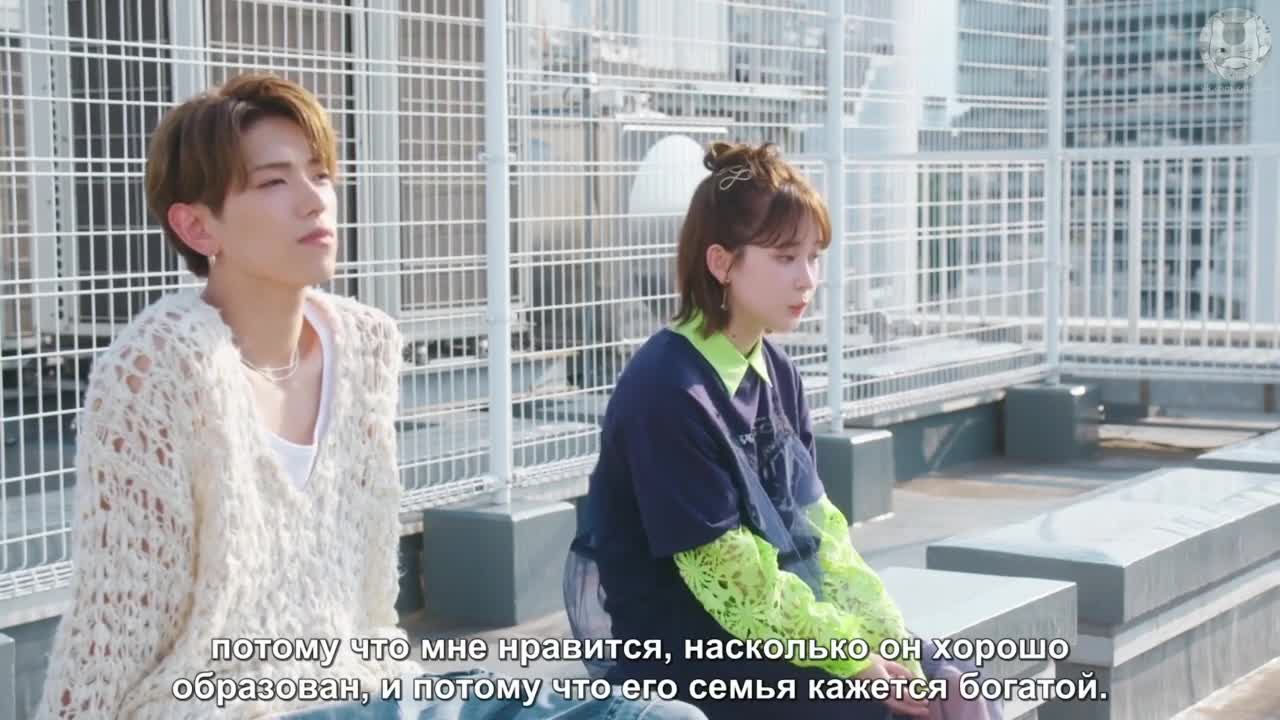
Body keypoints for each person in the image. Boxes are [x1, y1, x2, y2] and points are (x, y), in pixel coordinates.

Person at [36, 72, 705, 720]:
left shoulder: (364, 345)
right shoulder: (158, 370)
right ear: (196, 227)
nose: (313, 199)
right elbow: (111, 628)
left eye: (320, 174)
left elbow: (369, 606)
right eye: (274, 181)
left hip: (371, 692)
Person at [565, 142, 1003, 720]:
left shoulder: (779, 373)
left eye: (813, 257)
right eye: (785, 258)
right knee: (877, 711)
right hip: (684, 646)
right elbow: (732, 582)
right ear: (721, 263)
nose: (807, 279)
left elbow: (823, 537)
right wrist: (853, 661)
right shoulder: (667, 390)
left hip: (778, 622)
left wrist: (891, 643)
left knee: (954, 685)